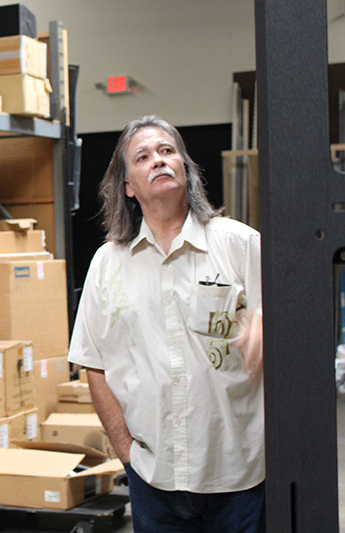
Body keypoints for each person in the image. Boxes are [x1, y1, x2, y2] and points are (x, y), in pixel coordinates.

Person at [68, 115, 264, 532]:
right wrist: (126, 451)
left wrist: (265, 322)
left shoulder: (240, 244)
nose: (158, 160)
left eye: (167, 151)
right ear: (127, 186)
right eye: (143, 156)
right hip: (154, 478)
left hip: (239, 474)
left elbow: (285, 326)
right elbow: (94, 362)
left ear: (186, 169)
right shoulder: (108, 264)